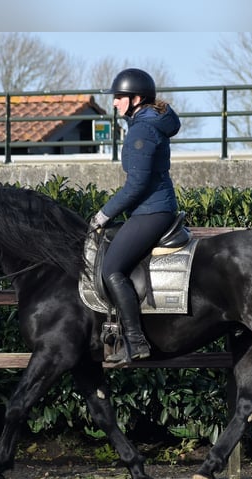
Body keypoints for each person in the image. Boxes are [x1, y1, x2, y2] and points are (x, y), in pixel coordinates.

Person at [89, 68, 181, 365]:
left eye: (119, 97)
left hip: (152, 210)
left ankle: (135, 341)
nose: (114, 103)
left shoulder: (142, 130)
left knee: (112, 269)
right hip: (152, 208)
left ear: (136, 98)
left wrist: (103, 215)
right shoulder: (146, 124)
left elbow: (136, 185)